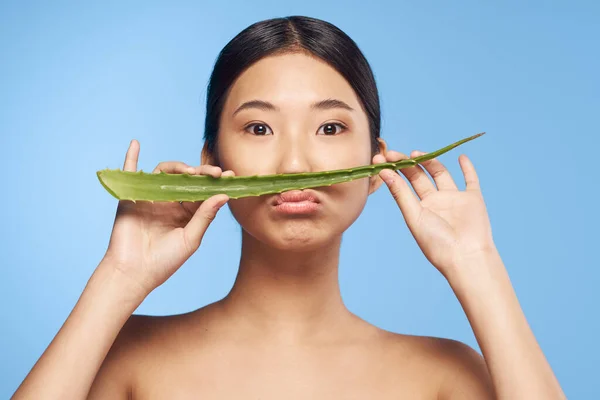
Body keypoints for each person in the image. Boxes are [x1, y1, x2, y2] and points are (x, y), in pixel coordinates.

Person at [13, 16, 565, 399]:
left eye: (330, 127)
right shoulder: (124, 355)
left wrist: (479, 266)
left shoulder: (446, 374)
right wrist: (118, 278)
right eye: (258, 127)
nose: (296, 161)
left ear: (376, 164)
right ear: (213, 163)